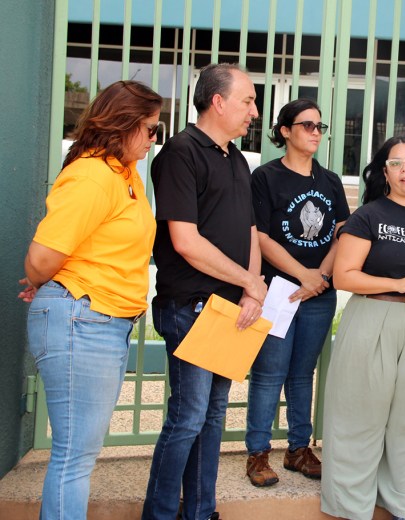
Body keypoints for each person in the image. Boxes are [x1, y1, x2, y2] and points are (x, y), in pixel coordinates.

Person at [18, 80, 161, 519]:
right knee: (73, 458)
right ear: (125, 125)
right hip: (83, 318)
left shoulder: (125, 174)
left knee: (78, 454)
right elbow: (41, 258)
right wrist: (45, 280)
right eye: (152, 129)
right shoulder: (93, 174)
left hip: (99, 319)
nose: (155, 139)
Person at [142, 63, 267, 520]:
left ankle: (200, 511)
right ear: (218, 101)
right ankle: (158, 513)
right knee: (188, 418)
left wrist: (253, 291)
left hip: (231, 306)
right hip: (192, 307)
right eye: (248, 100)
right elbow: (186, 241)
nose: (255, 110)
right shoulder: (180, 153)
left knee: (213, 417)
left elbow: (251, 231)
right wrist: (250, 281)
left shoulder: (236, 158)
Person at [321, 136, 405, 520]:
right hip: (374, 317)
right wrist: (397, 283)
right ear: (385, 173)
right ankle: (352, 508)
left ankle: (404, 506)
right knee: (359, 415)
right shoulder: (368, 215)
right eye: (396, 164)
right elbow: (343, 276)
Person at [244, 99, 349, 486]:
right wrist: (302, 275)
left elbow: (342, 233)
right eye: (307, 125)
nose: (316, 132)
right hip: (280, 291)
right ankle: (257, 454)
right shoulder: (265, 178)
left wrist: (319, 276)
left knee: (303, 373)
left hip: (319, 293)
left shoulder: (330, 181)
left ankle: (298, 449)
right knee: (269, 373)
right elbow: (261, 236)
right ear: (285, 131)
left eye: (321, 126)